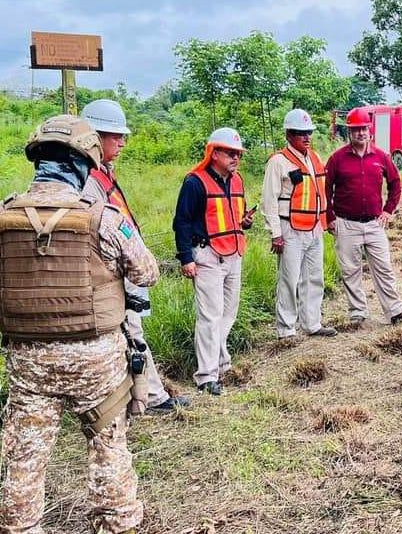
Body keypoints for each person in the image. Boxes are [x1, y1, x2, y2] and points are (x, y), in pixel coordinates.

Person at [0, 114, 159, 533]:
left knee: (24, 454)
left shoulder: (4, 218)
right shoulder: (104, 217)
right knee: (108, 446)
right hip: (96, 358)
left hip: (28, 361)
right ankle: (116, 523)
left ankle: (19, 526)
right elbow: (146, 271)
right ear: (85, 164)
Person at [82, 98, 189, 413]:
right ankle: (149, 398)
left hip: (122, 268)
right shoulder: (88, 181)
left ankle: (142, 396)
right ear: (93, 137)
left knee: (129, 333)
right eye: (115, 135)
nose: (122, 142)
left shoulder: (103, 173)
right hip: (109, 273)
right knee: (129, 333)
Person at [173, 128, 254, 395]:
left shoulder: (237, 180)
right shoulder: (194, 182)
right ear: (214, 153)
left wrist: (244, 222)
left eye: (238, 154)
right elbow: (182, 222)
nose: (235, 158)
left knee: (228, 313)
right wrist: (186, 258)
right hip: (207, 255)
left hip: (234, 253)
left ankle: (221, 362)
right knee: (209, 316)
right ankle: (206, 376)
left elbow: (233, 213)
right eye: (230, 153)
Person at [325, 106, 402, 326]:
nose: (360, 133)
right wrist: (329, 217)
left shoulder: (381, 156)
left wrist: (388, 210)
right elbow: (326, 188)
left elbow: (395, 183)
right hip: (346, 223)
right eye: (356, 129)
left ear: (370, 129)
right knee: (350, 270)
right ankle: (358, 312)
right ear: (349, 132)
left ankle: (396, 312)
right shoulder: (337, 159)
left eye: (364, 128)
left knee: (384, 268)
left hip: (374, 223)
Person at [261, 109, 338, 340]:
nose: (306, 137)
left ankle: (312, 323)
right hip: (290, 228)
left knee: (314, 278)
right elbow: (269, 201)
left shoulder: (314, 158)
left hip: (314, 227)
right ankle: (286, 330)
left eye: (308, 133)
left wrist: (326, 222)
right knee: (289, 279)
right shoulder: (278, 161)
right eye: (300, 133)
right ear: (288, 134)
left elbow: (321, 192)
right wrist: (275, 233)